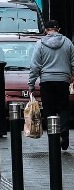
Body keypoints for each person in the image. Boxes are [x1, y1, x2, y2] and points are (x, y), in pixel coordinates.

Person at [29, 20, 74, 150]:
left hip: (46, 81)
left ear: (45, 30)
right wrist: (72, 74)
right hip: (62, 80)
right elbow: (73, 61)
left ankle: (53, 137)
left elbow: (35, 65)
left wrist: (31, 84)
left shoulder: (40, 44)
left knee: (49, 110)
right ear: (58, 29)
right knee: (64, 108)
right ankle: (64, 130)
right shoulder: (67, 42)